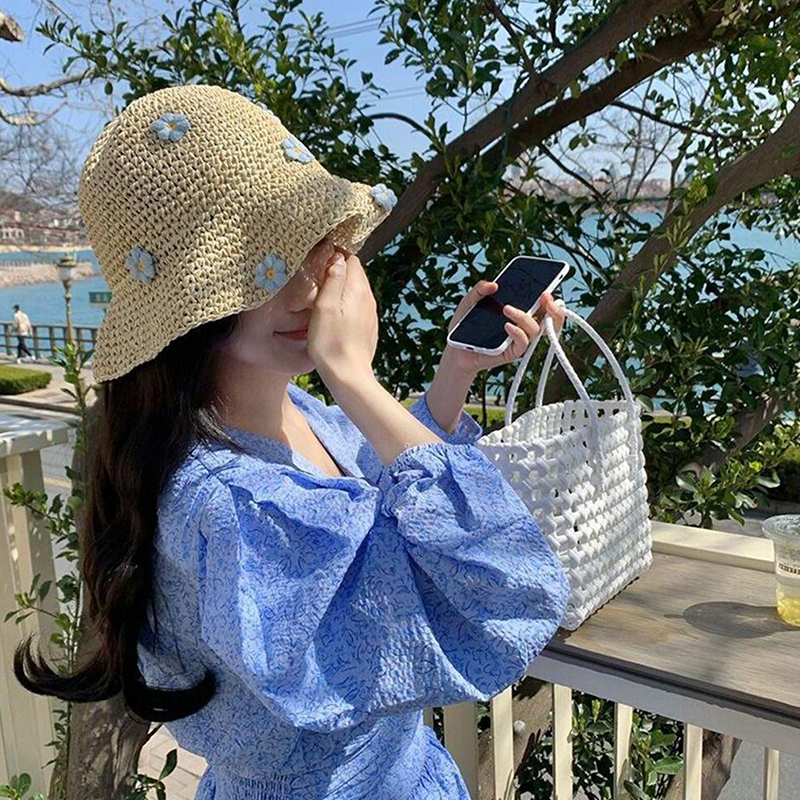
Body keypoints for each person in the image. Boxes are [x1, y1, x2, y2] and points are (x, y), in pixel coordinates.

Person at [13, 85, 571, 800]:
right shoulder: (228, 505)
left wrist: (453, 374)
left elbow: (370, 497)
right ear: (192, 305)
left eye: (314, 245)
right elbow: (511, 588)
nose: (308, 288)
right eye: (265, 265)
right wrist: (355, 377)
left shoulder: (289, 413)